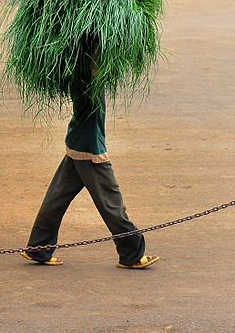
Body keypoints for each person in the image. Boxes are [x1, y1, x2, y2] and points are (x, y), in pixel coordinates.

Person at [21, 63, 159, 269]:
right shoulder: (87, 77)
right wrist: (97, 152)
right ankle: (132, 253)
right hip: (89, 150)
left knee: (57, 198)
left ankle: (39, 247)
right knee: (112, 203)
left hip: (77, 143)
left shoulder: (78, 70)